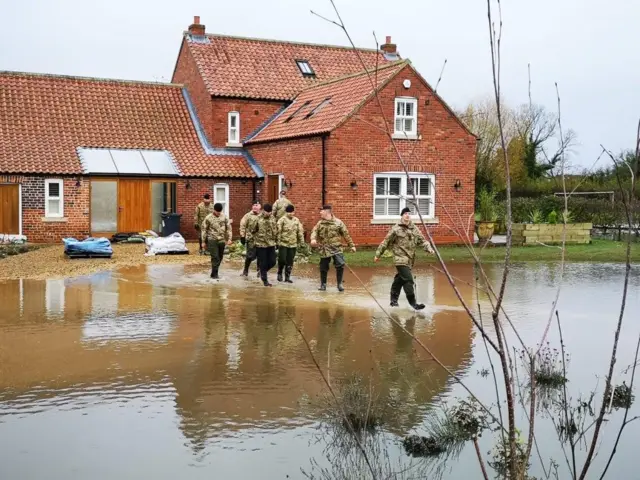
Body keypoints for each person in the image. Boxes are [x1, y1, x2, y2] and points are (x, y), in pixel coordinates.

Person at [374, 207, 434, 310]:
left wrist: (429, 249)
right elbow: (386, 242)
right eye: (405, 213)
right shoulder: (396, 229)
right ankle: (413, 303)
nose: (407, 215)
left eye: (409, 214)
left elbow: (423, 241)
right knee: (408, 280)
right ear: (402, 215)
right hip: (399, 259)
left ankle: (393, 301)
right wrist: (378, 254)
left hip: (410, 260)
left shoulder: (414, 229)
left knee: (400, 279)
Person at [310, 205, 356, 292]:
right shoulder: (320, 223)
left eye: (321, 211)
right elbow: (314, 232)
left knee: (340, 265)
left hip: (336, 248)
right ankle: (323, 284)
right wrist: (313, 239)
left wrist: (352, 245)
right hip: (324, 248)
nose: (320, 212)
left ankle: (339, 284)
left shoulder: (338, 223)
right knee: (323, 266)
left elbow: (346, 235)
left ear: (327, 212)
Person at [200, 203, 232, 279]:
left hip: (221, 240)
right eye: (217, 211)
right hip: (212, 239)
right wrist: (203, 241)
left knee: (220, 257)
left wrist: (229, 238)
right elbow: (204, 230)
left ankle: (213, 273)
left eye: (220, 211)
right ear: (214, 210)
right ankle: (215, 275)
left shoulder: (224, 217)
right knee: (215, 257)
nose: (218, 213)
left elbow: (229, 228)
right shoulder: (208, 218)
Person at [251, 203, 278, 286]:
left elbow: (276, 230)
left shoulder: (273, 218)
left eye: (270, 212)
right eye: (267, 212)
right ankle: (265, 281)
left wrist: (277, 241)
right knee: (263, 262)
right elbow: (252, 230)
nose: (269, 214)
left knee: (273, 262)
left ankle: (262, 271)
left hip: (271, 243)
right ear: (263, 211)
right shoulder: (257, 219)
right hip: (261, 244)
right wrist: (254, 240)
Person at [276, 204, 304, 283]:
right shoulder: (282, 220)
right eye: (289, 212)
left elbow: (300, 232)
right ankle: (280, 273)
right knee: (282, 259)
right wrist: (278, 242)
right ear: (286, 212)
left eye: (292, 212)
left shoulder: (296, 220)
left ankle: (287, 276)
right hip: (283, 243)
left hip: (293, 244)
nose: (291, 214)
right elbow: (278, 232)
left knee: (290, 261)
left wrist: (302, 243)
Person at [239, 202, 262, 277]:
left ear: (260, 207)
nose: (255, 207)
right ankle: (245, 270)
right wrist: (242, 236)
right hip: (250, 239)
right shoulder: (248, 215)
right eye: (254, 205)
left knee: (260, 255)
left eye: (257, 205)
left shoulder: (262, 215)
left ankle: (259, 271)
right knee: (249, 256)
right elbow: (242, 225)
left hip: (260, 239)